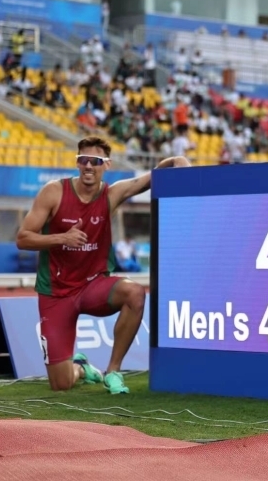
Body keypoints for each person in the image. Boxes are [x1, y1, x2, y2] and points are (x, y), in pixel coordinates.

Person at [17, 136, 190, 394]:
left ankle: (113, 370)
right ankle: (82, 368)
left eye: (95, 161)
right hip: (56, 293)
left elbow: (145, 180)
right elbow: (23, 238)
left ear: (105, 165)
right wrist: (62, 238)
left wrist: (176, 160)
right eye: (83, 160)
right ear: (77, 163)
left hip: (92, 286)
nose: (88, 166)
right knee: (61, 384)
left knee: (134, 293)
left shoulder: (111, 195)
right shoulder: (54, 192)